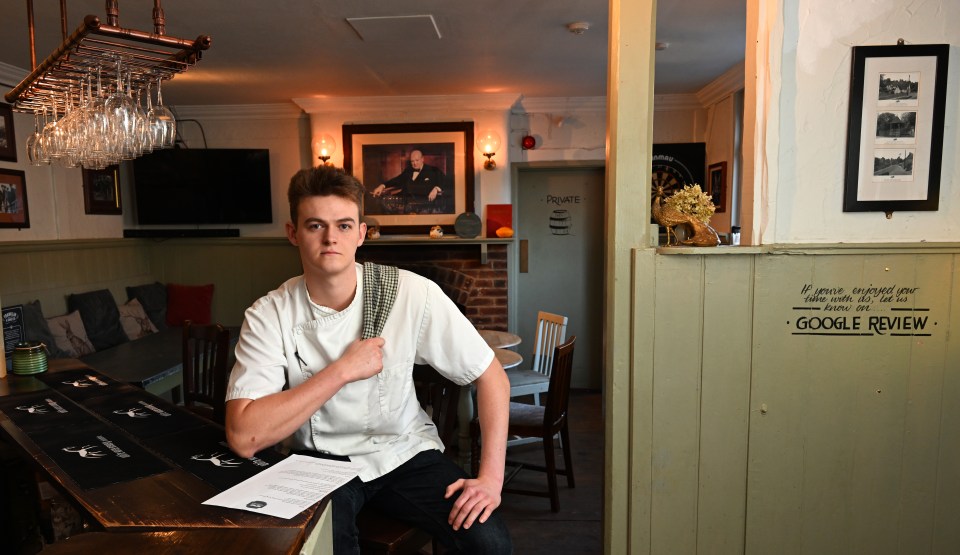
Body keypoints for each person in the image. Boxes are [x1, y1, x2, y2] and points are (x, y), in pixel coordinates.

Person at [224, 165, 513, 554]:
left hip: (403, 450)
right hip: (318, 461)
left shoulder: (411, 292)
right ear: (293, 233)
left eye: (344, 225)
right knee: (330, 548)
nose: (331, 238)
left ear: (362, 233)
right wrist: (342, 370)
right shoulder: (269, 314)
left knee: (489, 541)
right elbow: (244, 437)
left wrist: (491, 479)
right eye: (315, 226)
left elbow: (491, 375)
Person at [370, 149, 448, 203]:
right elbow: (397, 180)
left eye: (417, 160)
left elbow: (445, 181)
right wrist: (382, 185)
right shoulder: (408, 170)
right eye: (412, 161)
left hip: (424, 205)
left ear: (422, 159)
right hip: (405, 203)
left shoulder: (433, 170)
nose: (415, 163)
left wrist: (436, 189)